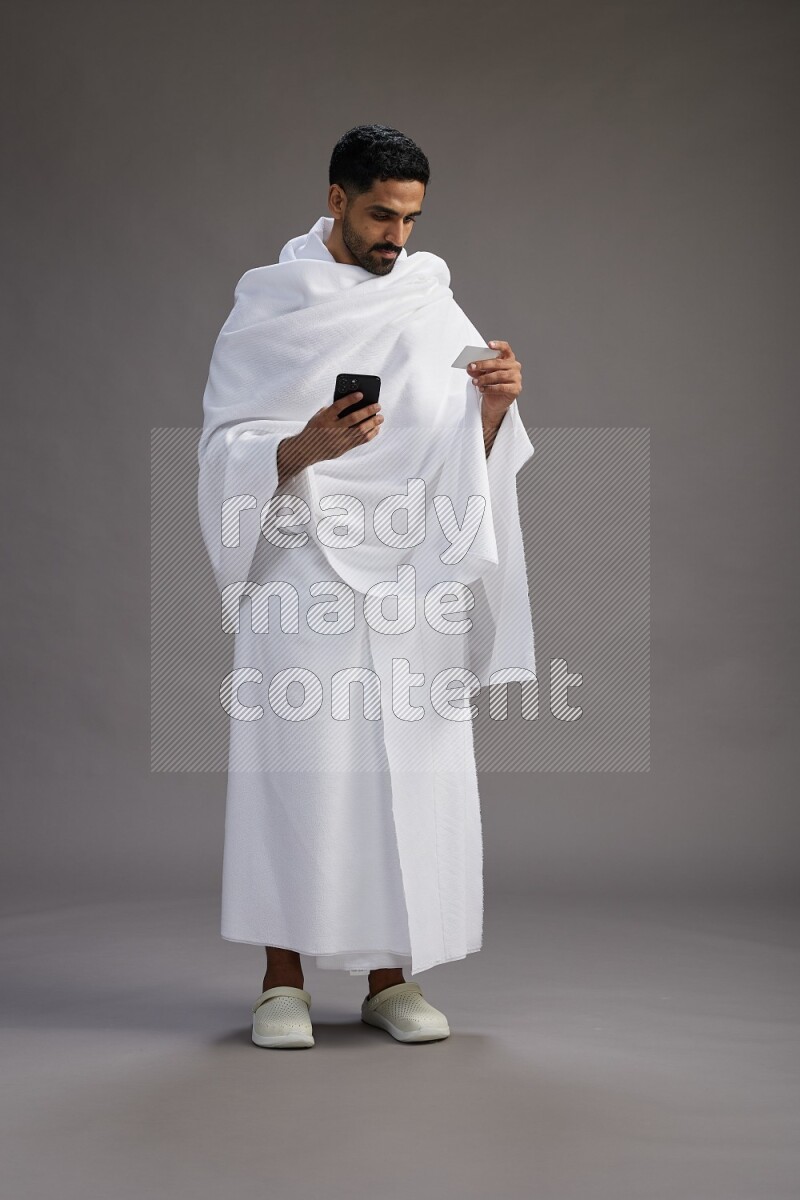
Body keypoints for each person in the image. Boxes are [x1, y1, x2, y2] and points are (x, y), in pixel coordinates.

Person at [197, 124, 536, 1048]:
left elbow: (453, 450)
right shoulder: (269, 307)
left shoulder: (431, 302)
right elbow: (224, 446)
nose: (398, 237)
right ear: (337, 199)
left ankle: (393, 978)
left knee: (408, 769)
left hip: (408, 573)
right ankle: (281, 984)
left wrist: (494, 411)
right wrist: (310, 447)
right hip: (301, 564)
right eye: (381, 215)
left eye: (412, 219)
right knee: (297, 769)